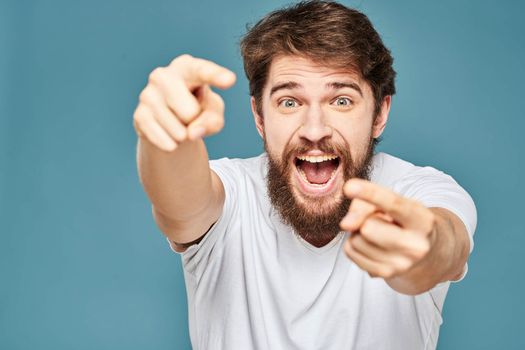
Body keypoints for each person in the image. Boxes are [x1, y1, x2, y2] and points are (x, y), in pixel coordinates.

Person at [133, 1, 477, 349]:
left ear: (379, 114)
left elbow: (447, 244)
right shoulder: (232, 196)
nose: (314, 130)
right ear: (260, 116)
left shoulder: (420, 190)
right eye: (289, 102)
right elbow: (180, 202)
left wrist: (425, 250)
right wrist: (166, 137)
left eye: (341, 101)